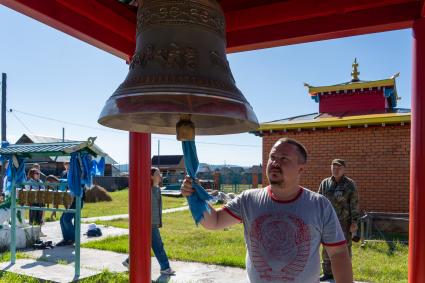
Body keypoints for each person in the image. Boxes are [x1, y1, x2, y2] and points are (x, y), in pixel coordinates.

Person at [181, 138, 353, 283]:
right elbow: (215, 221)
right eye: (272, 157)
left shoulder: (319, 205)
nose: (275, 163)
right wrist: (194, 197)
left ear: (301, 168)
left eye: (284, 158)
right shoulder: (248, 199)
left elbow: (338, 253)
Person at [123, 167, 175, 276]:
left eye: (160, 174)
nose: (160, 176)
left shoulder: (157, 189)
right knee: (158, 245)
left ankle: (129, 261)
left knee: (143, 245)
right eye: (157, 174)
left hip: (153, 222)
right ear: (151, 176)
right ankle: (165, 267)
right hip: (149, 222)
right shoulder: (146, 189)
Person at [318, 159, 360, 281]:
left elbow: (354, 204)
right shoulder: (325, 183)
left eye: (339, 167)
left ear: (344, 169)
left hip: (344, 223)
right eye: (334, 167)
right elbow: (319, 201)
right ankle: (327, 272)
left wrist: (354, 222)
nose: (336, 169)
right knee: (326, 247)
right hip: (327, 222)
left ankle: (344, 274)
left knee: (344, 248)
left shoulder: (350, 185)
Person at [56, 182, 85, 246]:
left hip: (77, 201)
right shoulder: (66, 179)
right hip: (71, 202)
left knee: (66, 219)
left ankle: (73, 238)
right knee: (62, 219)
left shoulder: (77, 176)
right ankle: (66, 239)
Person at [27, 168, 46, 236]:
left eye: (39, 173)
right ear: (32, 174)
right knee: (33, 216)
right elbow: (28, 191)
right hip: (33, 201)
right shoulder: (29, 182)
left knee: (40, 217)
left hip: (40, 201)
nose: (38, 175)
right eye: (37, 173)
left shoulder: (40, 181)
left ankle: (39, 232)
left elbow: (44, 189)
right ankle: (31, 233)